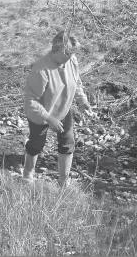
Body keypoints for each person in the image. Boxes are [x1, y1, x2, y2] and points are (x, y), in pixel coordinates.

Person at [23, 30, 95, 187]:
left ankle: (63, 181)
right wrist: (49, 118)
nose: (70, 57)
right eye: (67, 53)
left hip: (63, 109)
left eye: (72, 53)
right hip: (41, 113)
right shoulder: (41, 70)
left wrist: (82, 101)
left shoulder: (71, 60)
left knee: (68, 143)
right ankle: (28, 174)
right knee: (36, 144)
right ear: (55, 50)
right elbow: (30, 101)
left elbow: (76, 83)